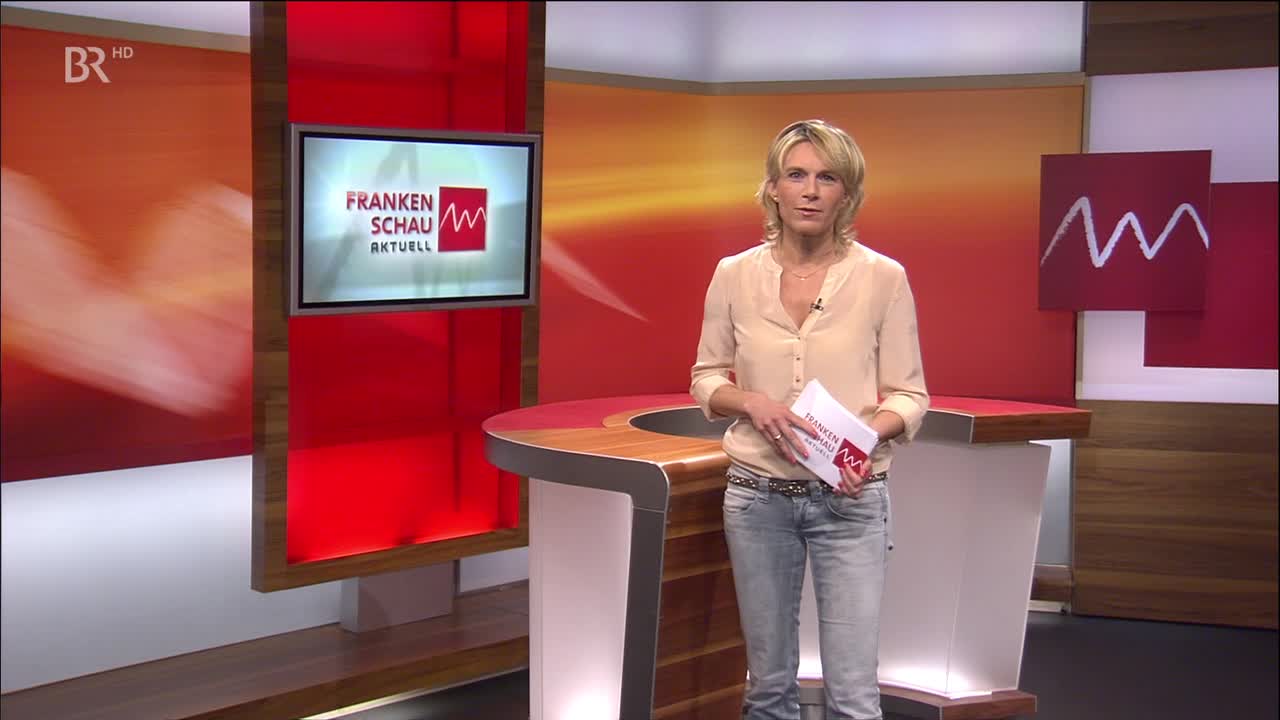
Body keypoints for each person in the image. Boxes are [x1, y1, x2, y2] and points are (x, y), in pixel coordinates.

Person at [689, 119, 929, 720]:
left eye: (828, 178)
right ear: (773, 187)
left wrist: (865, 438)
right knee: (767, 689)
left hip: (849, 500)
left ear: (847, 193)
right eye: (796, 175)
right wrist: (751, 402)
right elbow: (706, 377)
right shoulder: (733, 274)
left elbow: (909, 394)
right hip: (757, 500)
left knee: (853, 697)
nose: (811, 191)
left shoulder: (883, 277)